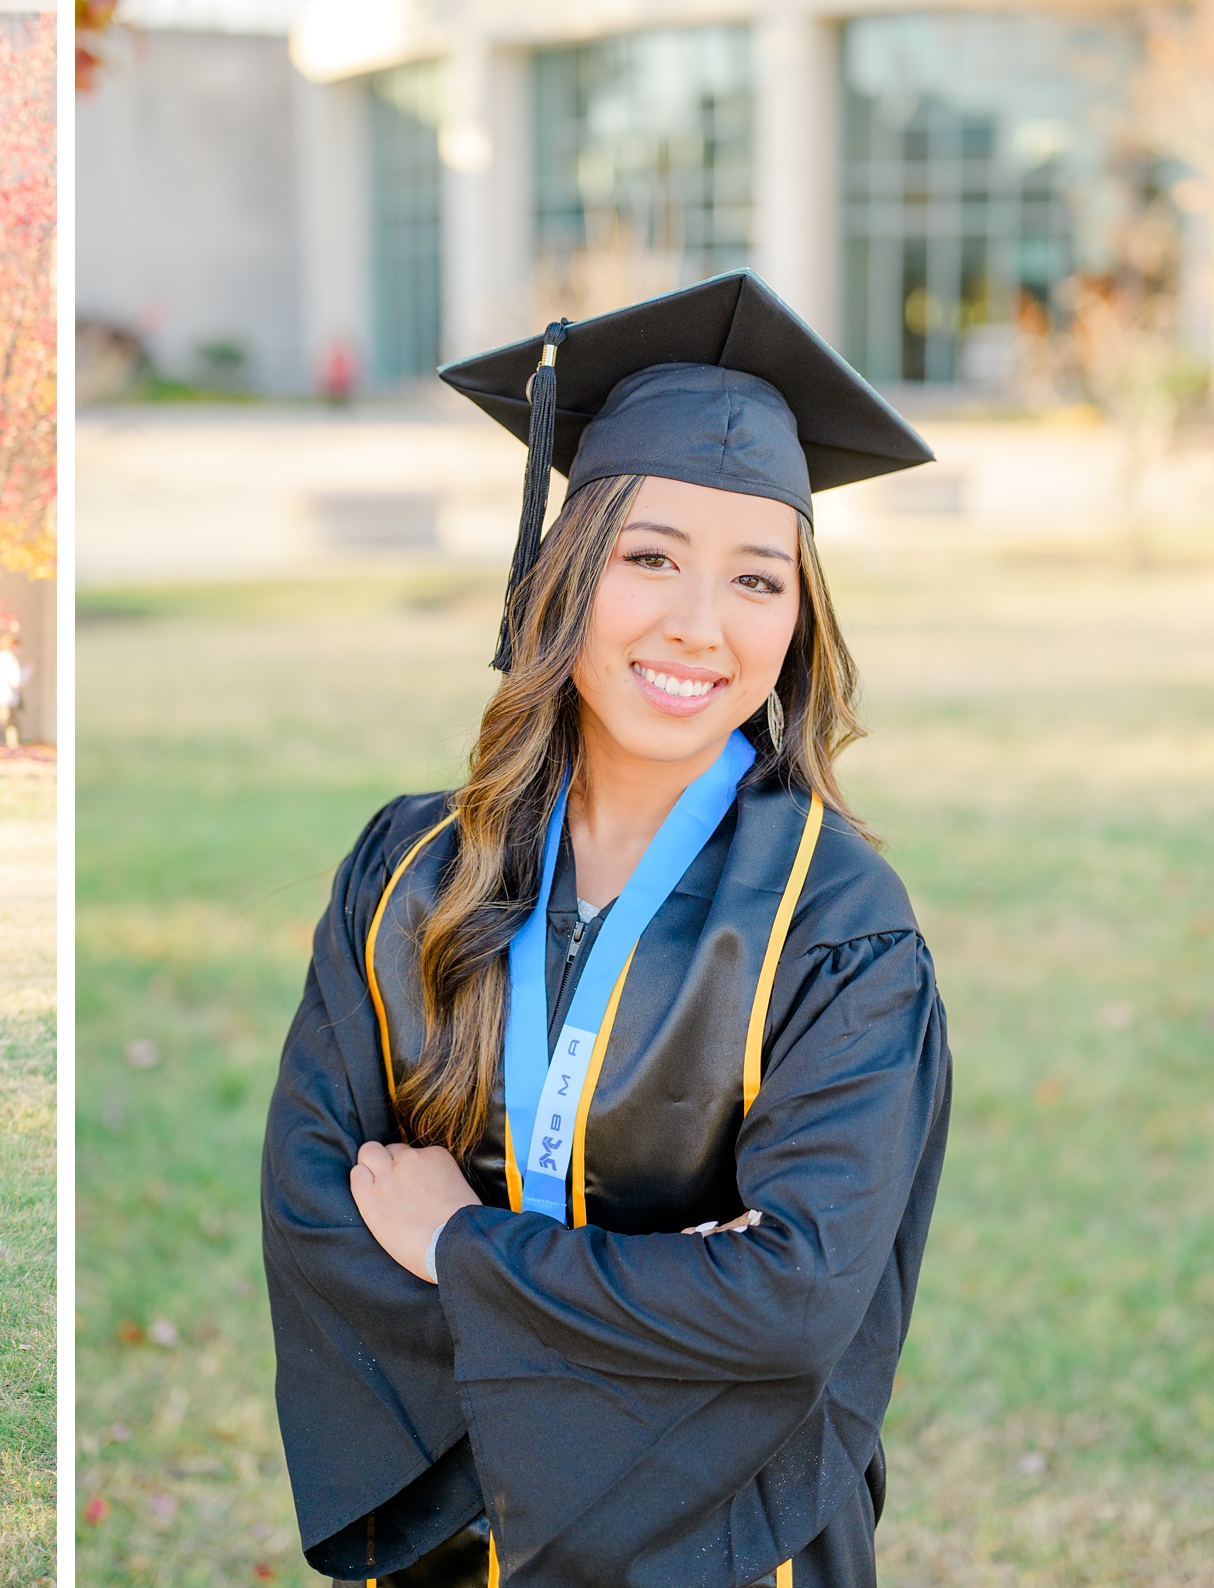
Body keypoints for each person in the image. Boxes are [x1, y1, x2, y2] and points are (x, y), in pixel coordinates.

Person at [262, 272, 954, 1587]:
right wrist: (658, 1296)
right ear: (563, 574)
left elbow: (797, 1312)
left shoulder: (833, 921)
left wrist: (463, 1246)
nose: (701, 623)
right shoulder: (406, 874)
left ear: (799, 621)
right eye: (651, 558)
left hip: (731, 1555)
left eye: (758, 579)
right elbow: (322, 1218)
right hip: (460, 1544)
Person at [0, 625, 27, 747]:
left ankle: (8, 746)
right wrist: (26, 673)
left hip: (0, 696)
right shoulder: (10, 658)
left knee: (5, 722)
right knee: (11, 724)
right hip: (9, 697)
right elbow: (16, 681)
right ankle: (13, 747)